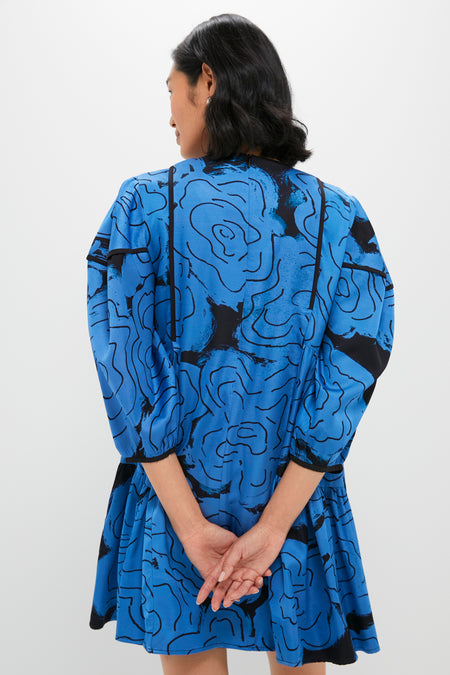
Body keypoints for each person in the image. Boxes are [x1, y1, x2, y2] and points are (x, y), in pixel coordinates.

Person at [85, 13, 395, 675]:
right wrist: (275, 525)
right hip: (297, 505)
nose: (170, 117)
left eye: (171, 92)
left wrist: (191, 527)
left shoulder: (142, 205)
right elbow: (351, 374)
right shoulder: (341, 217)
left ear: (208, 81)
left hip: (177, 500)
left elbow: (125, 370)